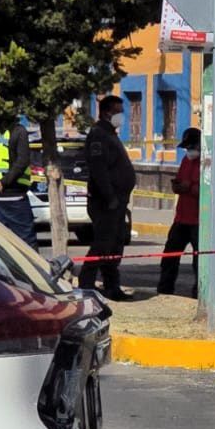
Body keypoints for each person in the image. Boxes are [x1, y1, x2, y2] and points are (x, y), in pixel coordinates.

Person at [80, 95, 138, 301]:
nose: (122, 116)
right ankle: (85, 285)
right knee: (102, 244)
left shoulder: (110, 134)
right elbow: (99, 169)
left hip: (119, 202)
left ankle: (112, 286)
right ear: (106, 113)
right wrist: (110, 196)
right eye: (118, 111)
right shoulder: (99, 135)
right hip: (105, 202)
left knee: (116, 244)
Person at [0, 118, 36, 247]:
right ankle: (33, 267)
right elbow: (22, 161)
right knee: (26, 243)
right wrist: (2, 183)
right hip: (14, 196)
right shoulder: (18, 130)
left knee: (1, 245)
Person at [158, 127, 203, 297]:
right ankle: (164, 290)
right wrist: (177, 186)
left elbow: (207, 190)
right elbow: (181, 180)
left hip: (199, 221)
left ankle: (200, 293)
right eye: (187, 148)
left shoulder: (207, 163)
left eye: (191, 147)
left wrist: (189, 188)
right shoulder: (186, 160)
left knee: (200, 261)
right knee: (169, 256)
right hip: (181, 218)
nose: (189, 151)